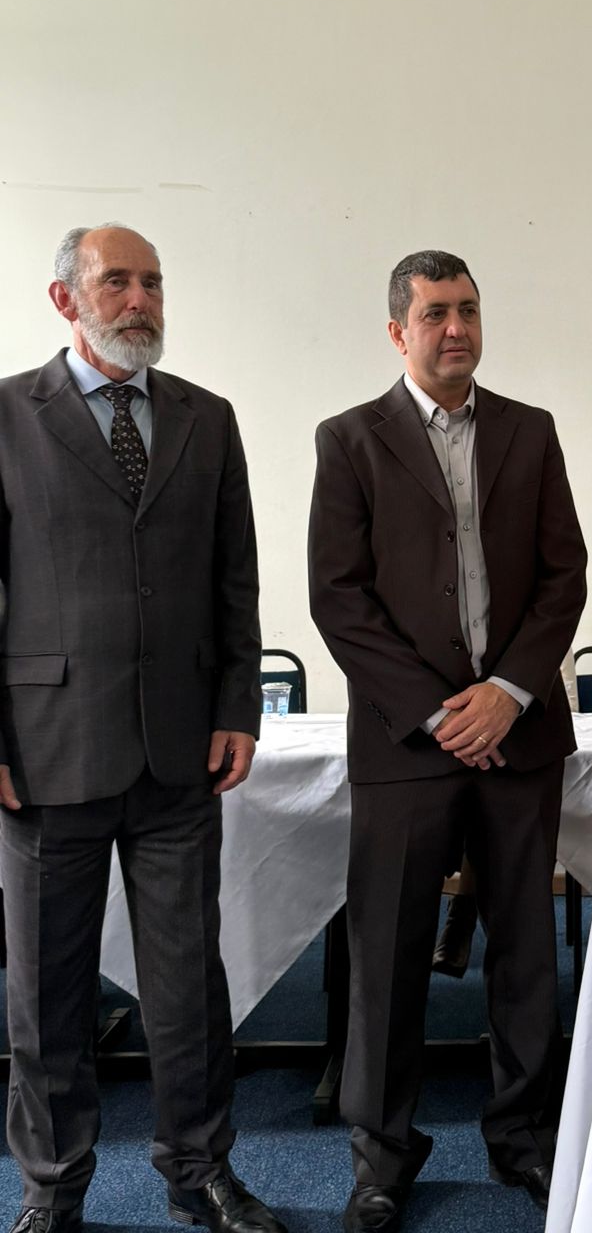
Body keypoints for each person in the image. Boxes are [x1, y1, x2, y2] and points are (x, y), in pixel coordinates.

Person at [0, 224, 283, 1233]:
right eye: (116, 281)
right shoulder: (7, 415)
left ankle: (200, 1172)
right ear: (64, 298)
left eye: (152, 282)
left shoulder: (207, 417)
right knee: (48, 993)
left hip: (179, 755)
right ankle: (53, 1188)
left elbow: (235, 579)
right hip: (45, 754)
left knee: (188, 985)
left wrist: (238, 706)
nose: (139, 300)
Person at [308, 249, 586, 1231]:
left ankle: (524, 1135)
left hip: (519, 735)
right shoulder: (350, 439)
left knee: (526, 949)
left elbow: (564, 575)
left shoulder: (530, 430)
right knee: (387, 953)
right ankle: (383, 1154)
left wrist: (507, 693)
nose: (456, 327)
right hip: (407, 745)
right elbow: (339, 597)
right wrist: (439, 711)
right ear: (399, 331)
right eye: (435, 313)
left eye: (468, 309)